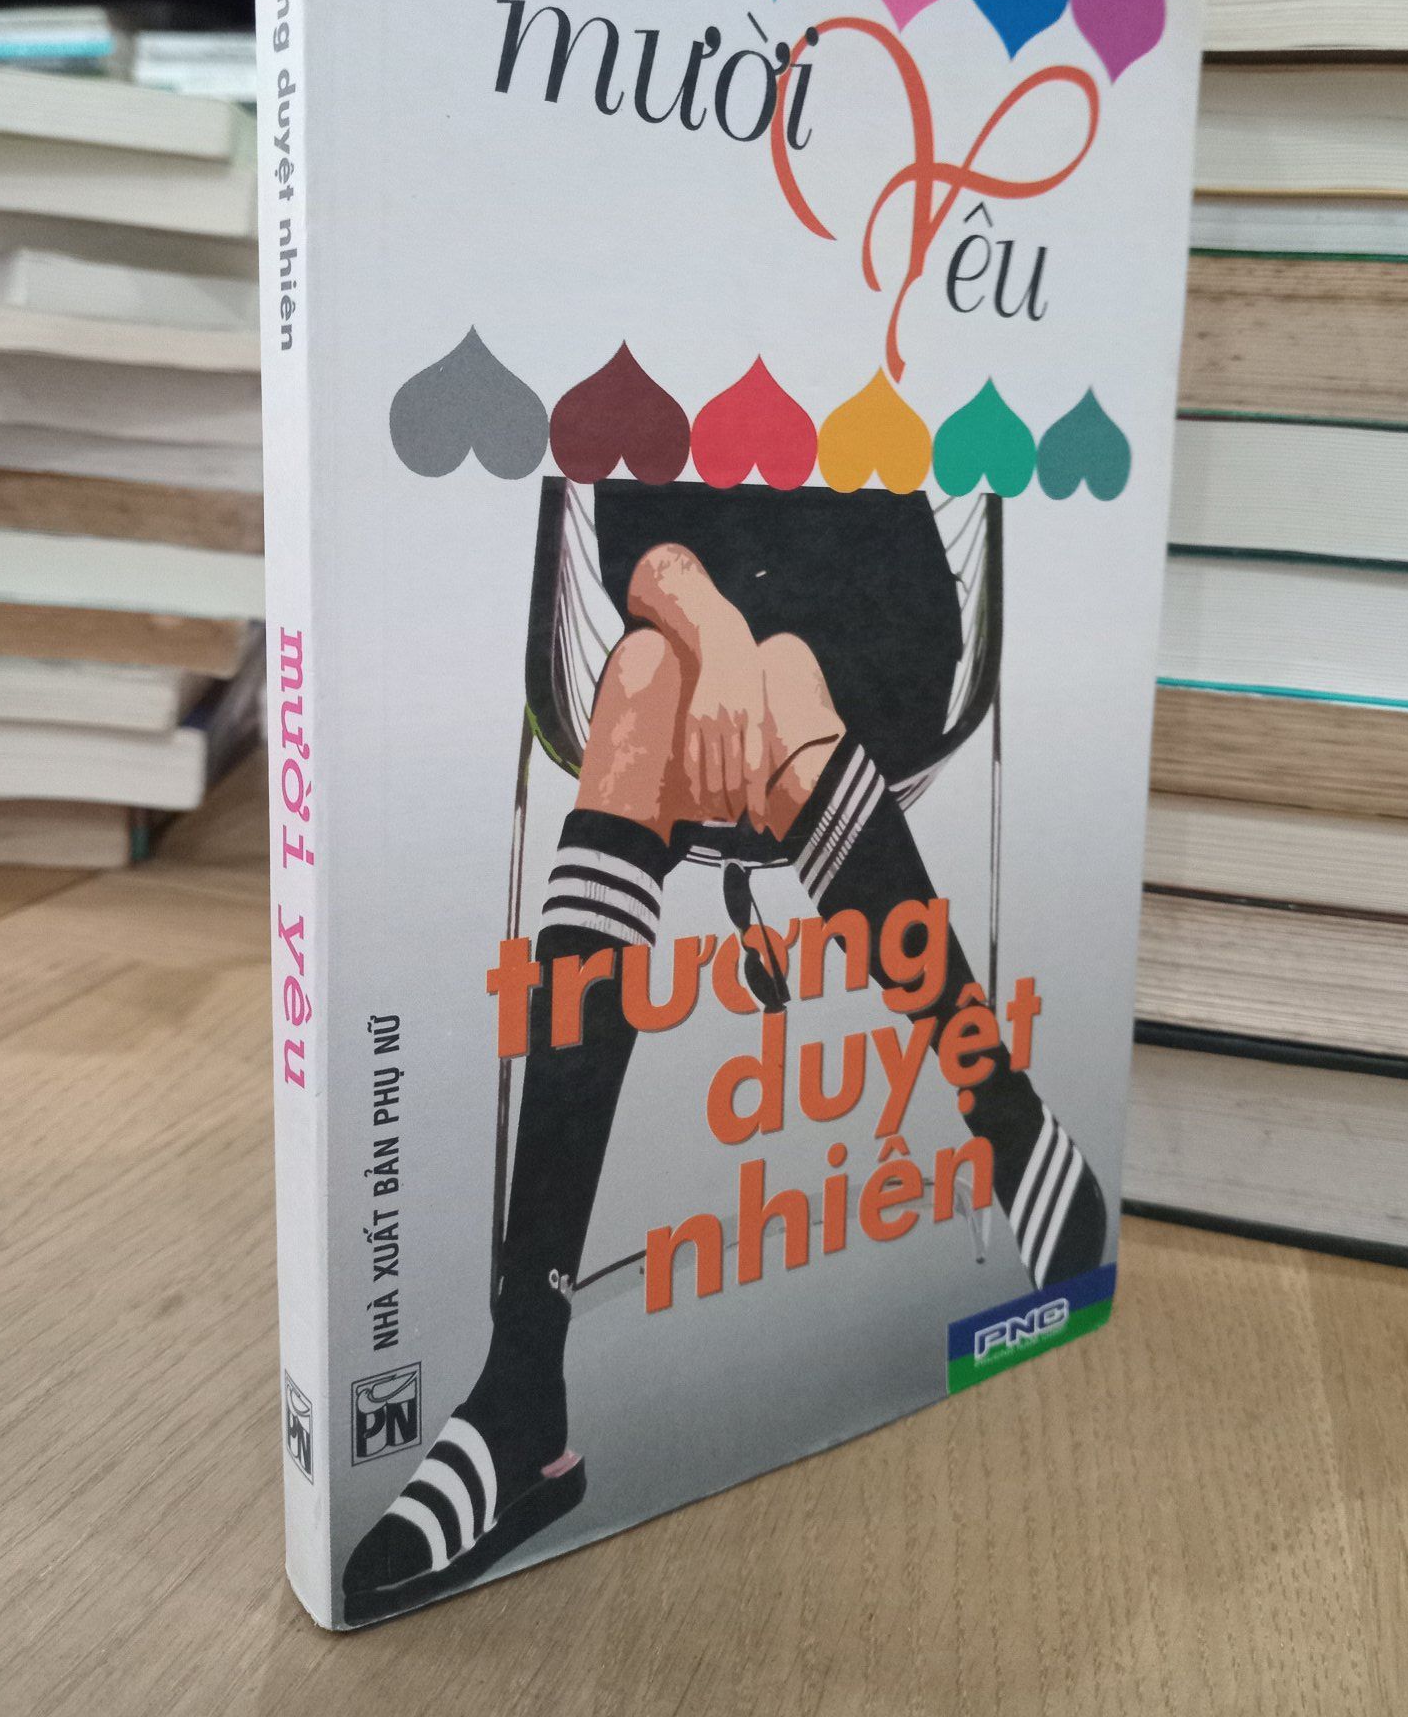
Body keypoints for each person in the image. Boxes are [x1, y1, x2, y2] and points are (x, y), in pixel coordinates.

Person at [343, 479, 1106, 1620]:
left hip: (878, 637)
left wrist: (755, 652)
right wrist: (715, 628)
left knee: (782, 669)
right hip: (694, 645)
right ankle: (523, 1367)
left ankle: (1002, 1111)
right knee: (645, 674)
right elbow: (634, 536)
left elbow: (892, 552)